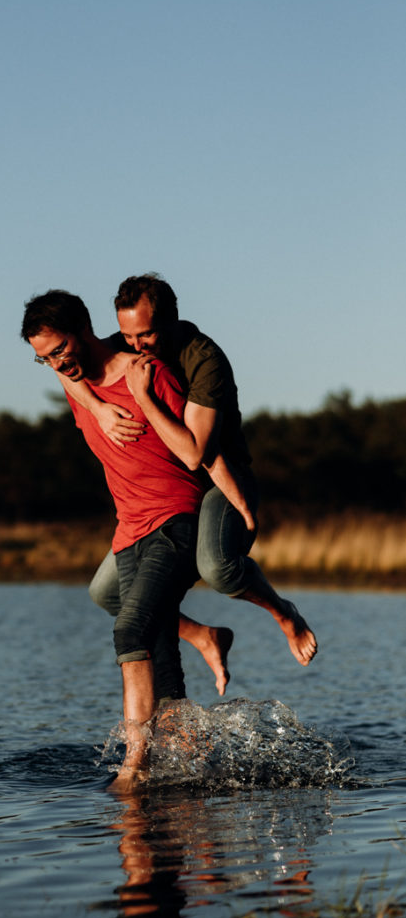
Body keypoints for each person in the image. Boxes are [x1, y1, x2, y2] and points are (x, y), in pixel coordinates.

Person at [59, 273, 317, 670]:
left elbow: (196, 454)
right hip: (168, 494)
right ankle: (202, 635)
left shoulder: (205, 360)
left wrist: (143, 396)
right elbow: (64, 366)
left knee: (218, 569)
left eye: (144, 335)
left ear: (171, 320)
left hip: (221, 480)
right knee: (105, 593)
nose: (134, 346)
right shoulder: (123, 346)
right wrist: (99, 408)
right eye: (127, 336)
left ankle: (284, 613)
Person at [21, 289, 207, 792]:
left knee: (130, 632)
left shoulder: (151, 373)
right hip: (128, 531)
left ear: (85, 329)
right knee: (164, 671)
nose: (57, 363)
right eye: (45, 359)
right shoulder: (75, 379)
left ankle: (135, 767)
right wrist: (100, 410)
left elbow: (197, 451)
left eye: (60, 350)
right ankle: (194, 771)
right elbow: (70, 374)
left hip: (175, 519)